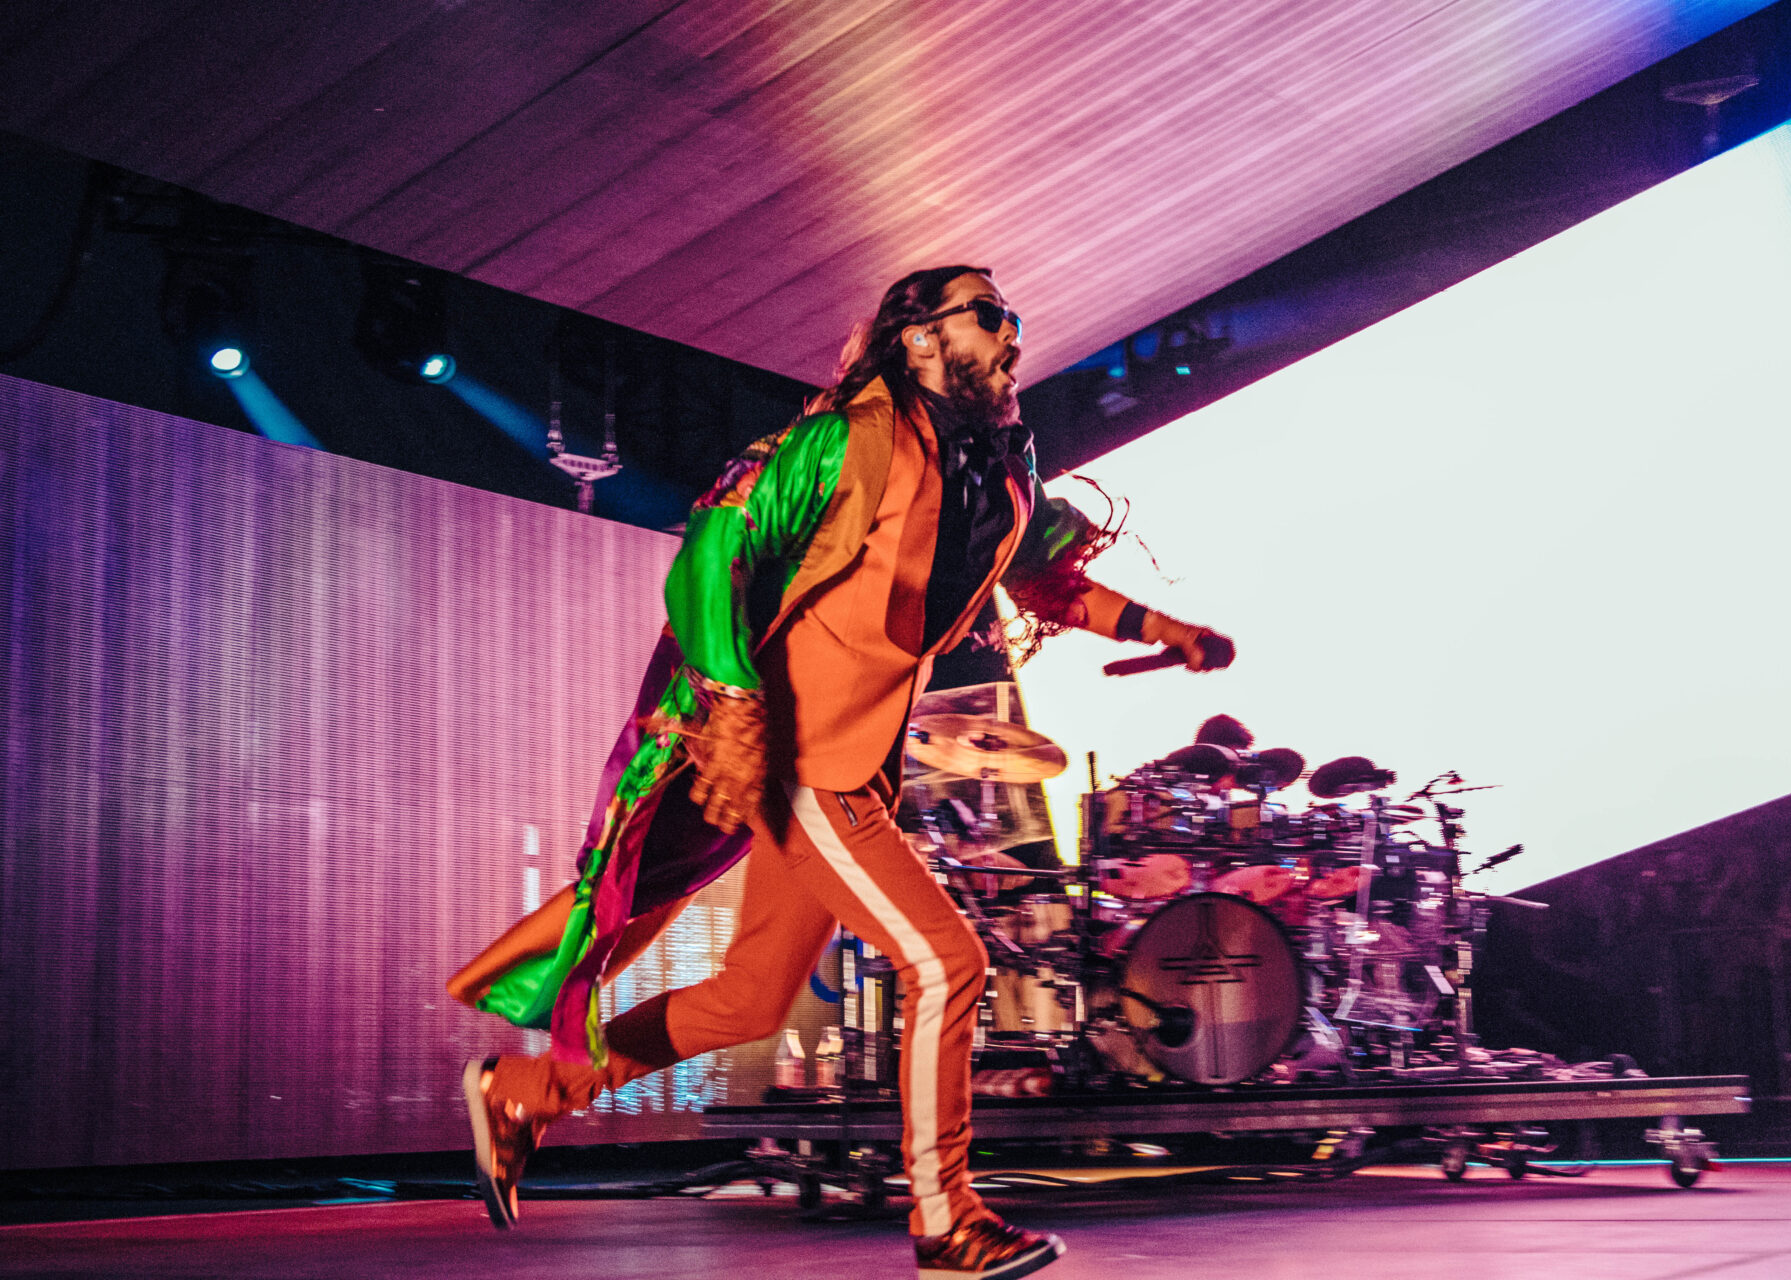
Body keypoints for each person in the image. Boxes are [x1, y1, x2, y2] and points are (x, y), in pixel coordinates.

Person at [453, 265, 1232, 1278]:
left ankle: (525, 1093)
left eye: (1014, 318)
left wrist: (1167, 630)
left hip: (856, 763)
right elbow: (714, 546)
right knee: (949, 962)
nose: (1012, 334)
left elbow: (1044, 575)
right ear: (919, 337)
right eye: (989, 315)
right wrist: (733, 705)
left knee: (747, 1000)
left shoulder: (997, 471)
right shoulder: (845, 440)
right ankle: (946, 1218)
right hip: (802, 756)